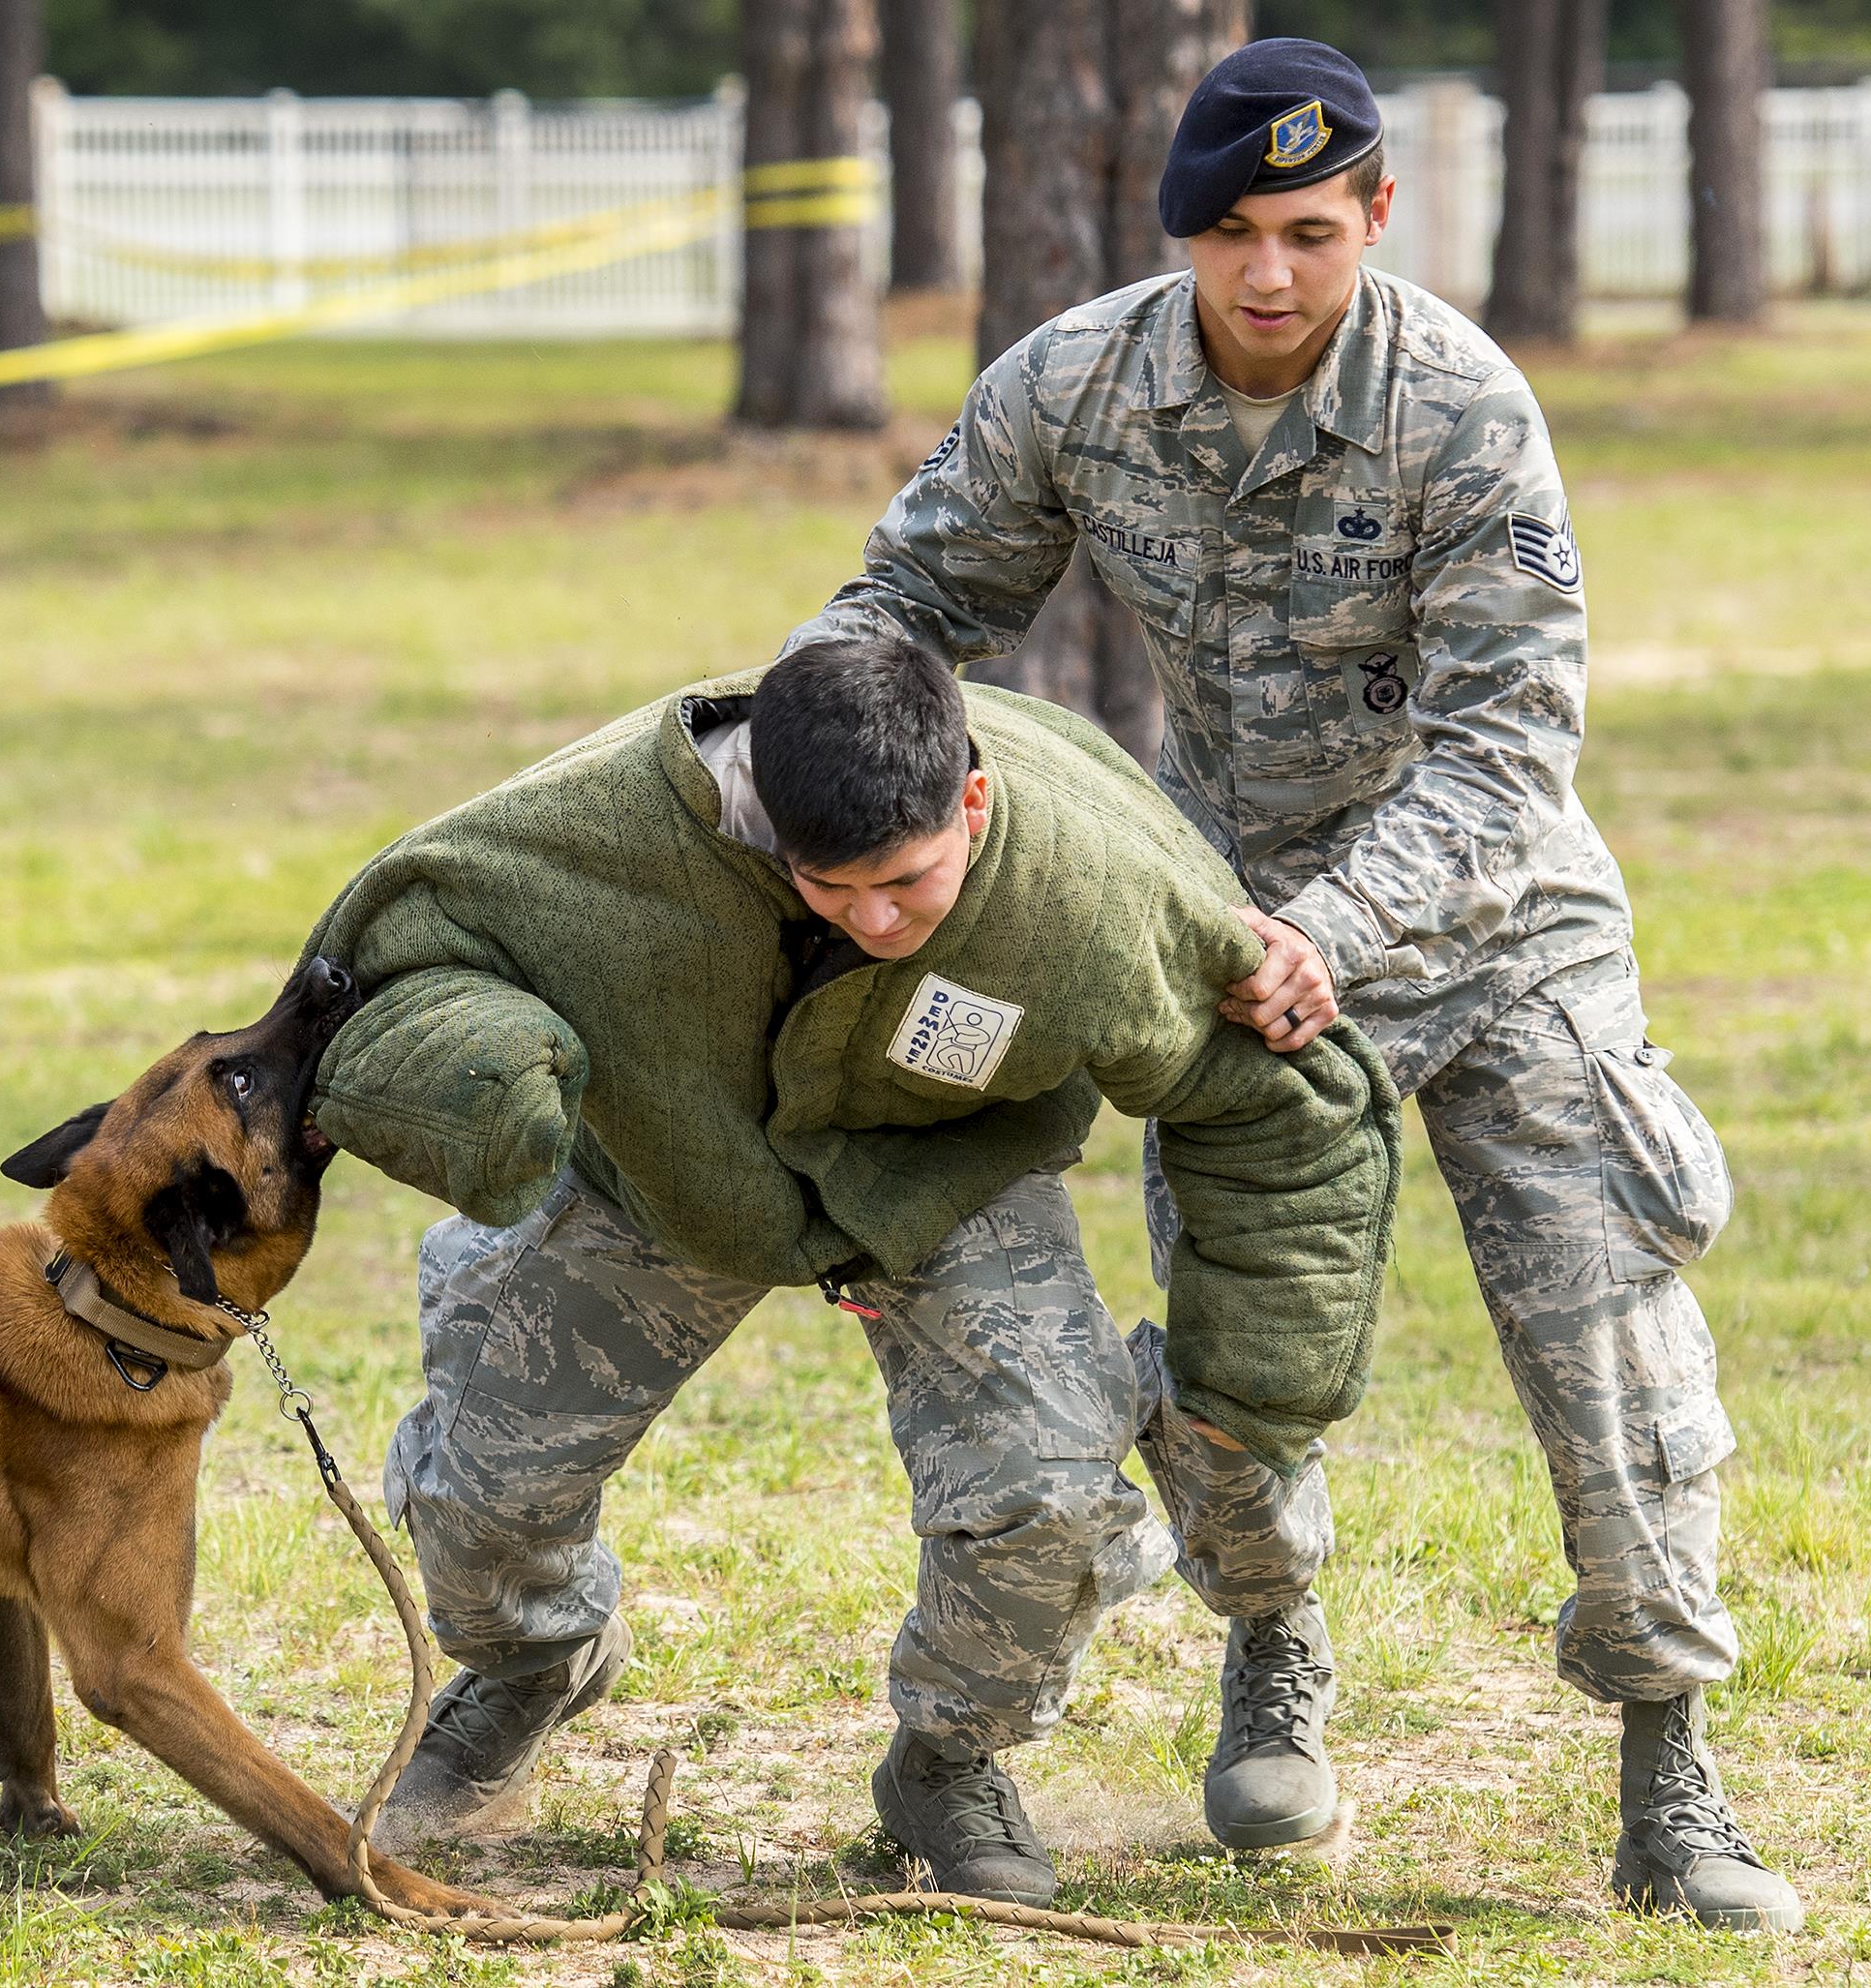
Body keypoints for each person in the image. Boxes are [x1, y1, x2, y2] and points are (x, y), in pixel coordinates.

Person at [780, 36, 1796, 1933]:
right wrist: (782, 768)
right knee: (1245, 1345)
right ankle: (1276, 1648)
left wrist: (1344, 923)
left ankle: (1672, 1769)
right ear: (1182, 234)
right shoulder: (1079, 383)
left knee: (1608, 1338)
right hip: (1222, 928)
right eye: (1233, 233)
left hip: (1494, 919)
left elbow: (1511, 746)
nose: (1268, 274)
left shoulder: (1462, 409)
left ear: (1376, 220)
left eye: (1311, 231)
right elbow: (906, 606)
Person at [298, 633, 1402, 1906]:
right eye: (831, 886)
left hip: (945, 1168)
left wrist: (1246, 1380)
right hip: (670, 1166)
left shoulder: (1096, 886)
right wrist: (476, 1063)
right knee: (482, 1495)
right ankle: (535, 1661)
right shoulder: (585, 831)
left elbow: (1280, 1098)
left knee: (1048, 1496)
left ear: (972, 800)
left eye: (910, 884)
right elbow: (377, 957)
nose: (874, 920)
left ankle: (949, 1754)